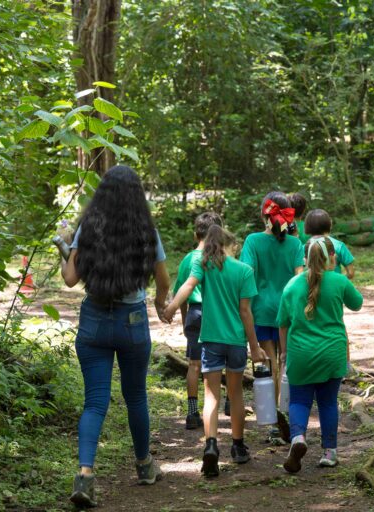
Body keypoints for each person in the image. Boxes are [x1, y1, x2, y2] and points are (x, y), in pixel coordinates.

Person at [59, 165, 170, 507]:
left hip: (93, 319)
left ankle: (85, 475)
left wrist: (64, 250)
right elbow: (163, 281)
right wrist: (160, 302)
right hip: (132, 322)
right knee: (136, 397)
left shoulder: (88, 229)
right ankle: (144, 466)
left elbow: (70, 279)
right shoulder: (146, 232)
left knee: (95, 401)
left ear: (102, 194)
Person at [163, 225, 266, 477]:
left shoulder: (205, 266)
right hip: (236, 341)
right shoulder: (244, 270)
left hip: (210, 340)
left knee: (211, 396)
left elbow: (188, 285)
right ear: (230, 245)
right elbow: (245, 312)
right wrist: (255, 347)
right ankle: (238, 447)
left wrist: (172, 306)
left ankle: (210, 445)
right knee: (236, 394)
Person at [277, 236, 363, 472]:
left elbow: (282, 324)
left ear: (305, 259)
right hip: (332, 353)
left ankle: (298, 438)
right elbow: (357, 303)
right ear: (331, 257)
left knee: (299, 400)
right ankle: (329, 452)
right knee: (327, 402)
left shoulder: (292, 285)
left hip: (300, 354)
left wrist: (284, 353)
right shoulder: (339, 281)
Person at [240, 192, 304, 442]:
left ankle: (275, 420)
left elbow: (246, 273)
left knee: (270, 365)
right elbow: (300, 278)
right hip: (288, 310)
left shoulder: (253, 241)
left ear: (263, 215)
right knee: (286, 362)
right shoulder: (296, 244)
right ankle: (288, 414)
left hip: (262, 311)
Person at [173, 212, 224, 430]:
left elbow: (181, 292)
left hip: (195, 312)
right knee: (220, 361)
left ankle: (192, 412)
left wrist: (185, 319)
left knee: (194, 364)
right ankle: (224, 405)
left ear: (196, 234)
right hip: (217, 313)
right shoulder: (220, 259)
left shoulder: (188, 259)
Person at [303, 208, 355, 279]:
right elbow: (351, 273)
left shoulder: (305, 247)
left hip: (311, 285)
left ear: (307, 226)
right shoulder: (339, 246)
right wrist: (338, 281)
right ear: (329, 224)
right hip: (334, 285)